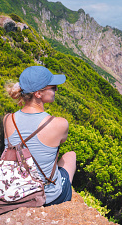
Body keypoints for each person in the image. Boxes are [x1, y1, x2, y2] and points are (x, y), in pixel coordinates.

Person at [5, 65, 76, 206]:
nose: (56, 90)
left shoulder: (8, 119)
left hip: (16, 195)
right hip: (47, 198)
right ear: (38, 93)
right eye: (53, 87)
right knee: (70, 155)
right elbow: (59, 142)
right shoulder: (60, 124)